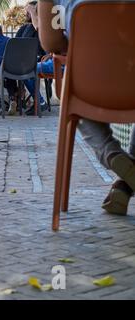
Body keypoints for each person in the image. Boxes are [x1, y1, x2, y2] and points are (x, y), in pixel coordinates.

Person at [39, 0, 135, 216]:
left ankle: (111, 154)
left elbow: (52, 43)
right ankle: (125, 183)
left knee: (72, 97)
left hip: (89, 85)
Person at [16, 1, 49, 115]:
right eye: (27, 11)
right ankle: (15, 100)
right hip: (24, 60)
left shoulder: (43, 25)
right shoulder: (25, 28)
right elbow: (15, 44)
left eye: (29, 11)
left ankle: (40, 101)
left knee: (25, 71)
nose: (27, 14)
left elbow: (38, 28)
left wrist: (33, 11)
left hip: (40, 59)